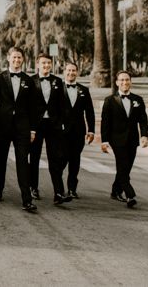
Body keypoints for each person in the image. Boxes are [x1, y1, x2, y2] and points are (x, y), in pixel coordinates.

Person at [0, 47, 38, 212]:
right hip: (2, 126)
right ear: (8, 58)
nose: (17, 60)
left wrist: (33, 130)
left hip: (22, 127)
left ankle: (26, 199)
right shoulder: (0, 78)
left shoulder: (28, 81)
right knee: (0, 159)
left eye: (19, 57)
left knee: (23, 161)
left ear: (23, 59)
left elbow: (33, 108)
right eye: (14, 57)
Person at [101, 71, 148, 208]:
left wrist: (144, 135)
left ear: (131, 82)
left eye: (127, 80)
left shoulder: (138, 100)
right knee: (122, 165)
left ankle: (115, 190)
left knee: (126, 168)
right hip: (116, 139)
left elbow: (143, 120)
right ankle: (130, 195)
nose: (125, 82)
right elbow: (105, 123)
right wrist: (104, 141)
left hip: (132, 140)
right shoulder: (109, 100)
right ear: (116, 83)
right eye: (121, 80)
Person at [29, 53, 71, 205]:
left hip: (53, 125)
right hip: (36, 125)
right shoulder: (31, 80)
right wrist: (30, 128)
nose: (46, 66)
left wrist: (61, 123)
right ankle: (33, 187)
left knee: (55, 159)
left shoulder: (58, 81)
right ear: (37, 64)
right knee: (34, 157)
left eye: (49, 63)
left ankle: (58, 193)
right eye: (43, 63)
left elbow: (62, 105)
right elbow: (27, 107)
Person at [60, 62, 95, 199]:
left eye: (74, 71)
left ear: (77, 72)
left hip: (78, 132)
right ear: (64, 72)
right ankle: (58, 188)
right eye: (68, 70)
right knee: (61, 160)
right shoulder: (57, 89)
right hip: (61, 132)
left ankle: (72, 189)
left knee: (75, 161)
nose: (71, 73)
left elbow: (90, 112)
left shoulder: (84, 90)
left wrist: (91, 130)